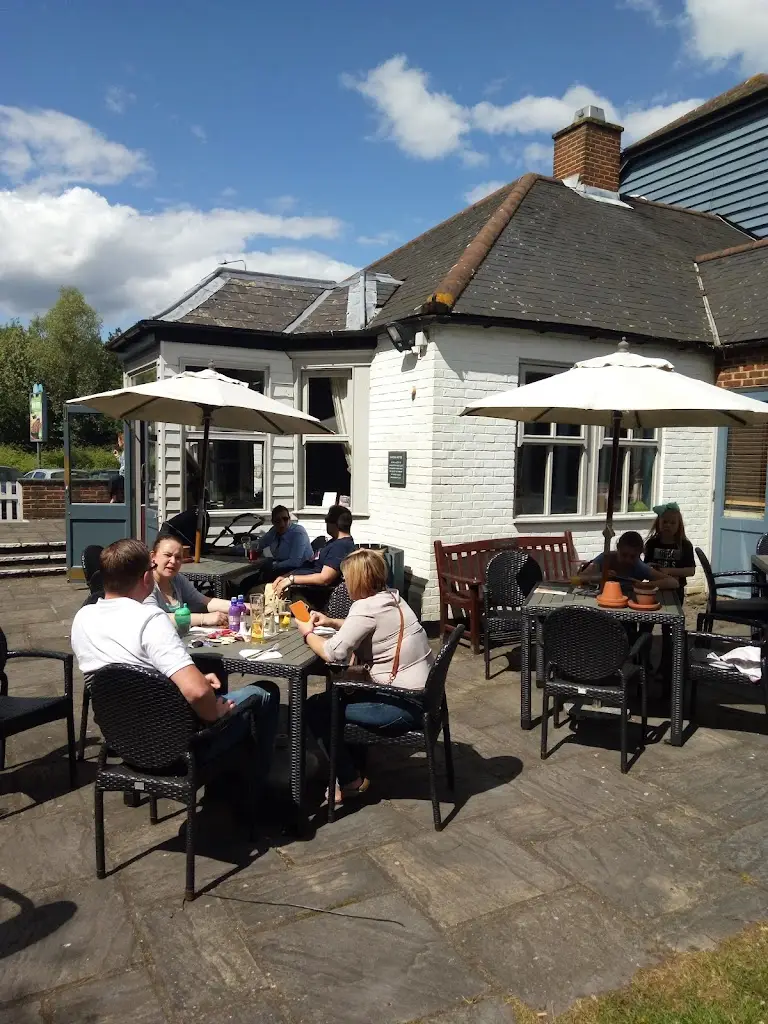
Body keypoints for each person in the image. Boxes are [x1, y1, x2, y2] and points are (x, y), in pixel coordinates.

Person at [71, 539, 279, 789]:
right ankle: (258, 786)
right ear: (147, 577)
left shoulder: (83, 617)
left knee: (208, 684)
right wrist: (215, 713)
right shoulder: (150, 619)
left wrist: (197, 682)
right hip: (177, 748)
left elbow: (131, 674)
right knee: (265, 692)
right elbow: (197, 692)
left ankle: (229, 779)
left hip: (123, 742)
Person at [299, 548, 434, 805]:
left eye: (347, 578)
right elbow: (365, 625)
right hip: (422, 697)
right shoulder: (392, 597)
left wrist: (307, 632)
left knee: (316, 709)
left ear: (358, 580)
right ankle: (352, 764)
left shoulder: (365, 607)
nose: (344, 582)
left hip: (401, 706)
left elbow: (332, 654)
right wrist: (331, 621)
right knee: (340, 696)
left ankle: (350, 780)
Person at [147, 534, 235, 627]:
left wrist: (242, 606)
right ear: (153, 556)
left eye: (178, 557)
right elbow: (155, 619)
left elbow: (205, 601)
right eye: (167, 555)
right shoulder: (145, 584)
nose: (173, 561)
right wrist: (204, 618)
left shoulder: (177, 579)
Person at [274, 505, 355, 599]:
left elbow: (325, 578)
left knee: (257, 592)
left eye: (327, 520)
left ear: (335, 523)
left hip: (304, 592)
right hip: (295, 584)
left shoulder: (341, 546)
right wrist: (286, 576)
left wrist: (291, 579)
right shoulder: (335, 542)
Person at [577, 530, 678, 589]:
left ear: (640, 554)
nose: (628, 560)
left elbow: (673, 582)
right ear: (618, 549)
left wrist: (645, 585)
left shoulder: (639, 567)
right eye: (624, 555)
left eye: (633, 556)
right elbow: (578, 578)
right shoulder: (605, 558)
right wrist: (601, 576)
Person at [643, 502, 695, 601]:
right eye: (665, 522)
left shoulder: (685, 545)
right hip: (655, 587)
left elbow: (691, 571)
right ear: (658, 523)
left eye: (672, 523)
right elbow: (646, 565)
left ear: (679, 525)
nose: (668, 525)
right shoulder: (652, 543)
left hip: (676, 589)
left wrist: (667, 571)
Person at [248, 506, 313, 583]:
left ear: (289, 519)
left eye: (285, 519)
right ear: (273, 522)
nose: (282, 524)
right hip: (278, 569)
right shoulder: (273, 531)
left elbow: (295, 562)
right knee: (247, 582)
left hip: (300, 572)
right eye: (278, 521)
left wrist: (273, 565)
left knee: (258, 582)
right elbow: (258, 544)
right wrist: (232, 550)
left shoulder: (298, 533)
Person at [109, 433, 125, 504]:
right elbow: (123, 462)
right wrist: (117, 456)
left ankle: (114, 497)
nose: (118, 443)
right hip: (124, 476)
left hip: (125, 477)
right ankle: (115, 497)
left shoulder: (127, 451)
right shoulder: (125, 452)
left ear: (123, 441)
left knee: (114, 479)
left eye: (119, 441)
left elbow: (125, 465)